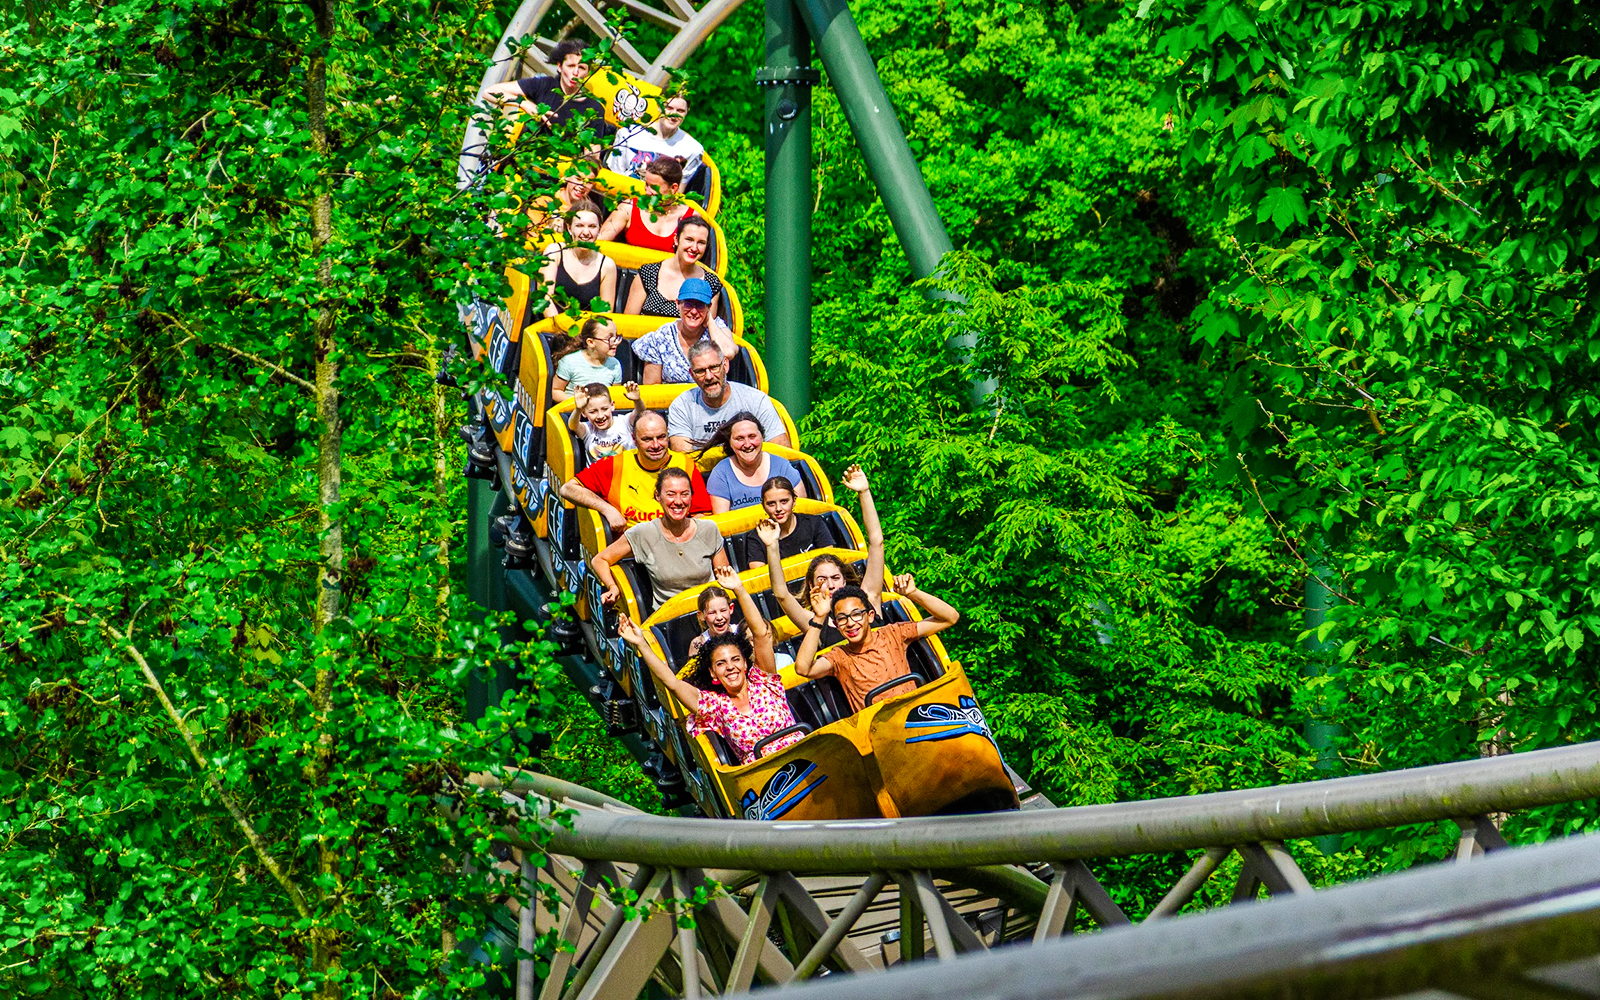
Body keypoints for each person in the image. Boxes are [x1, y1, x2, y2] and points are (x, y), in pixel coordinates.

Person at [617, 566, 804, 764]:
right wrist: (641, 645)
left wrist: (739, 589)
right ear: (713, 673)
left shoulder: (763, 681)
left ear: (745, 663)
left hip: (801, 754)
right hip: (765, 776)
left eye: (735, 659)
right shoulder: (716, 706)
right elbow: (672, 682)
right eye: (721, 664)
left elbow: (761, 635)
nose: (730, 667)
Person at [794, 575, 960, 713]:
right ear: (837, 626)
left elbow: (950, 617)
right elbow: (803, 668)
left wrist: (913, 593)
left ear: (870, 616)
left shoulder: (893, 633)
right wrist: (819, 617)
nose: (850, 623)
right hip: (880, 731)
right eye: (843, 619)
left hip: (916, 714)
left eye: (856, 615)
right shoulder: (840, 656)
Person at [756, 465, 884, 637]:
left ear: (845, 580)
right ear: (811, 586)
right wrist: (772, 546)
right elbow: (781, 594)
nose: (830, 585)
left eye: (836, 578)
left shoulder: (868, 601)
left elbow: (876, 542)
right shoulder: (815, 624)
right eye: (822, 579)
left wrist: (864, 492)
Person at [592, 467, 729, 609]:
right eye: (671, 494)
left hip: (710, 614)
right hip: (670, 619)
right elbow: (600, 560)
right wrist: (613, 587)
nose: (678, 501)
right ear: (658, 496)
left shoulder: (708, 529)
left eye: (684, 494)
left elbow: (724, 580)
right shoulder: (644, 533)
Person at [560, 410, 711, 530]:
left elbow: (702, 515)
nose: (656, 445)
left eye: (661, 437)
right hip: (629, 554)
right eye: (647, 439)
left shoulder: (686, 465)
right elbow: (568, 489)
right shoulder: (616, 464)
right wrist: (607, 509)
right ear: (634, 439)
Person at [482, 39, 617, 145]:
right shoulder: (544, 85)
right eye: (570, 66)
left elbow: (592, 157)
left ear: (588, 72)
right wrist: (525, 104)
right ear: (559, 66)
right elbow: (489, 92)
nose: (575, 73)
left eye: (581, 68)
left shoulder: (594, 108)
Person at [744, 463, 878, 568]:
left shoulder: (813, 523)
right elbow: (760, 577)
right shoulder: (757, 537)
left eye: (784, 502)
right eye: (771, 504)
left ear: (794, 501)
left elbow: (829, 561)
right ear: (763, 506)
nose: (779, 509)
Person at [667, 342, 790, 451]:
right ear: (692, 375)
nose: (709, 377)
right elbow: (684, 458)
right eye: (700, 371)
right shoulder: (682, 406)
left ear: (725, 365)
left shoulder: (755, 400)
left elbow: (781, 451)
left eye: (714, 367)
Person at [632, 278, 737, 384]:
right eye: (688, 305)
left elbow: (727, 352)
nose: (694, 311)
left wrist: (710, 321)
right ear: (678, 304)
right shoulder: (661, 337)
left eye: (700, 305)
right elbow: (652, 388)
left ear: (709, 307)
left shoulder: (716, 327)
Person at [623, 216, 724, 322]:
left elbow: (709, 330)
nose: (694, 248)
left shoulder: (711, 283)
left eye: (701, 243)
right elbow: (628, 324)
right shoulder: (648, 273)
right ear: (676, 239)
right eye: (689, 240)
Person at [705, 413, 807, 513]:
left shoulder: (782, 466)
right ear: (730, 442)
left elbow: (802, 509)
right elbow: (722, 523)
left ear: (762, 437)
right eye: (739, 438)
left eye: (752, 436)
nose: (747, 444)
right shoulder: (721, 474)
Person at [597, 157, 696, 251]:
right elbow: (599, 242)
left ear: (673, 188)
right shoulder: (628, 208)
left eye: (653, 187)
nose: (647, 191)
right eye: (646, 184)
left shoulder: (691, 217)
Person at [539, 204, 618, 319]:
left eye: (592, 226)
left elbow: (605, 314)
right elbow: (545, 299)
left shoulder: (607, 265)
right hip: (550, 326)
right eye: (580, 226)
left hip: (586, 332)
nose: (586, 232)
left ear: (599, 229)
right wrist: (562, 330)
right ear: (570, 228)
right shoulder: (554, 252)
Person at [608, 92, 704, 187]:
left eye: (680, 111)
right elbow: (614, 176)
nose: (673, 114)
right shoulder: (629, 133)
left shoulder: (693, 149)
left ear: (687, 111)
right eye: (669, 108)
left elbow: (678, 191)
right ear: (659, 106)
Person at [549, 316, 622, 401]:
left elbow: (615, 396)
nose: (616, 343)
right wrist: (579, 405)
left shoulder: (615, 364)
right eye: (609, 338)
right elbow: (555, 390)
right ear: (591, 342)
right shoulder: (570, 362)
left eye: (616, 337)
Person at [567, 381, 640, 463]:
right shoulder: (589, 430)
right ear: (584, 413)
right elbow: (573, 425)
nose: (600, 416)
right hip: (597, 474)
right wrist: (578, 409)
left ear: (612, 406)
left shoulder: (624, 422)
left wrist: (637, 401)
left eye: (604, 409)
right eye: (593, 412)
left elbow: (640, 414)